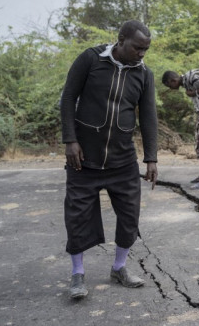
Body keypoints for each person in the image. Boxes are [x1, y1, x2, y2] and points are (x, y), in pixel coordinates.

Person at [60, 20, 158, 300]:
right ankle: (78, 274)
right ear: (121, 40)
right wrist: (70, 140)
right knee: (77, 216)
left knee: (129, 216)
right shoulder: (91, 59)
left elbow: (149, 116)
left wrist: (151, 158)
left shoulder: (144, 74)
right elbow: (68, 98)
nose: (142, 54)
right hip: (83, 159)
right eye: (138, 47)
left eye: (146, 49)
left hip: (123, 160)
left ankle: (119, 268)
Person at [162, 69, 199, 189]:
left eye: (169, 85)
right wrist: (193, 93)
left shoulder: (192, 76)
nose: (170, 88)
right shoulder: (186, 83)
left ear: (172, 80)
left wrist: (194, 93)